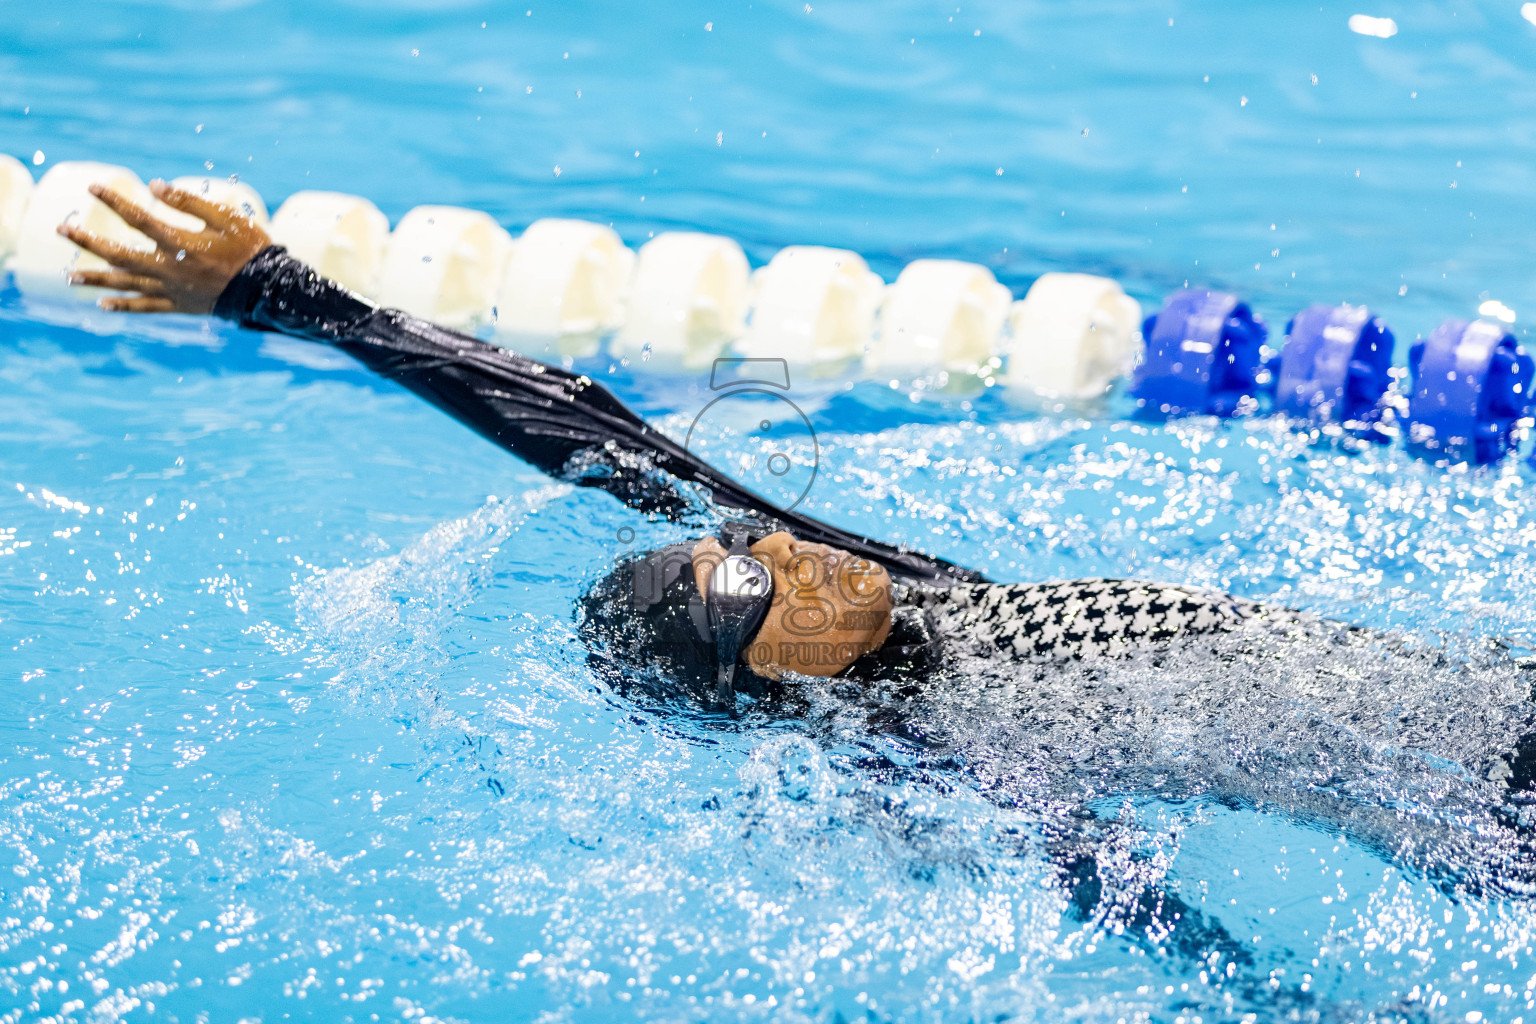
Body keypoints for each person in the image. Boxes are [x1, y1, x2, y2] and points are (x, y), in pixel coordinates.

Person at [56, 182, 1536, 783]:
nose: (801, 561)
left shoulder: (943, 608)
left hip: (1478, 693)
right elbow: (1126, 907)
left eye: (762, 549)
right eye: (759, 586)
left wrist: (295, 296)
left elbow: (585, 429)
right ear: (765, 672)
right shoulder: (947, 758)